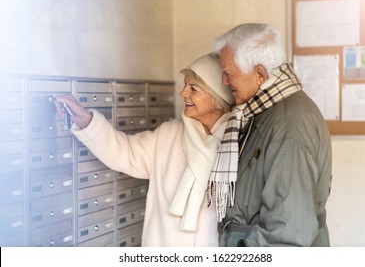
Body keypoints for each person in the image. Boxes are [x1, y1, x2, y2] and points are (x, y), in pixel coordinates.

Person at [55, 53, 234, 246]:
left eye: (194, 88)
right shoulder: (170, 134)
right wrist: (86, 121)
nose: (183, 93)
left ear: (217, 96)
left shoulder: (237, 142)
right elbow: (124, 153)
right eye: (185, 85)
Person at [207, 23, 332, 247]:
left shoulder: (287, 124)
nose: (224, 81)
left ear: (259, 74)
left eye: (228, 73)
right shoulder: (266, 108)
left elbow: (286, 232)